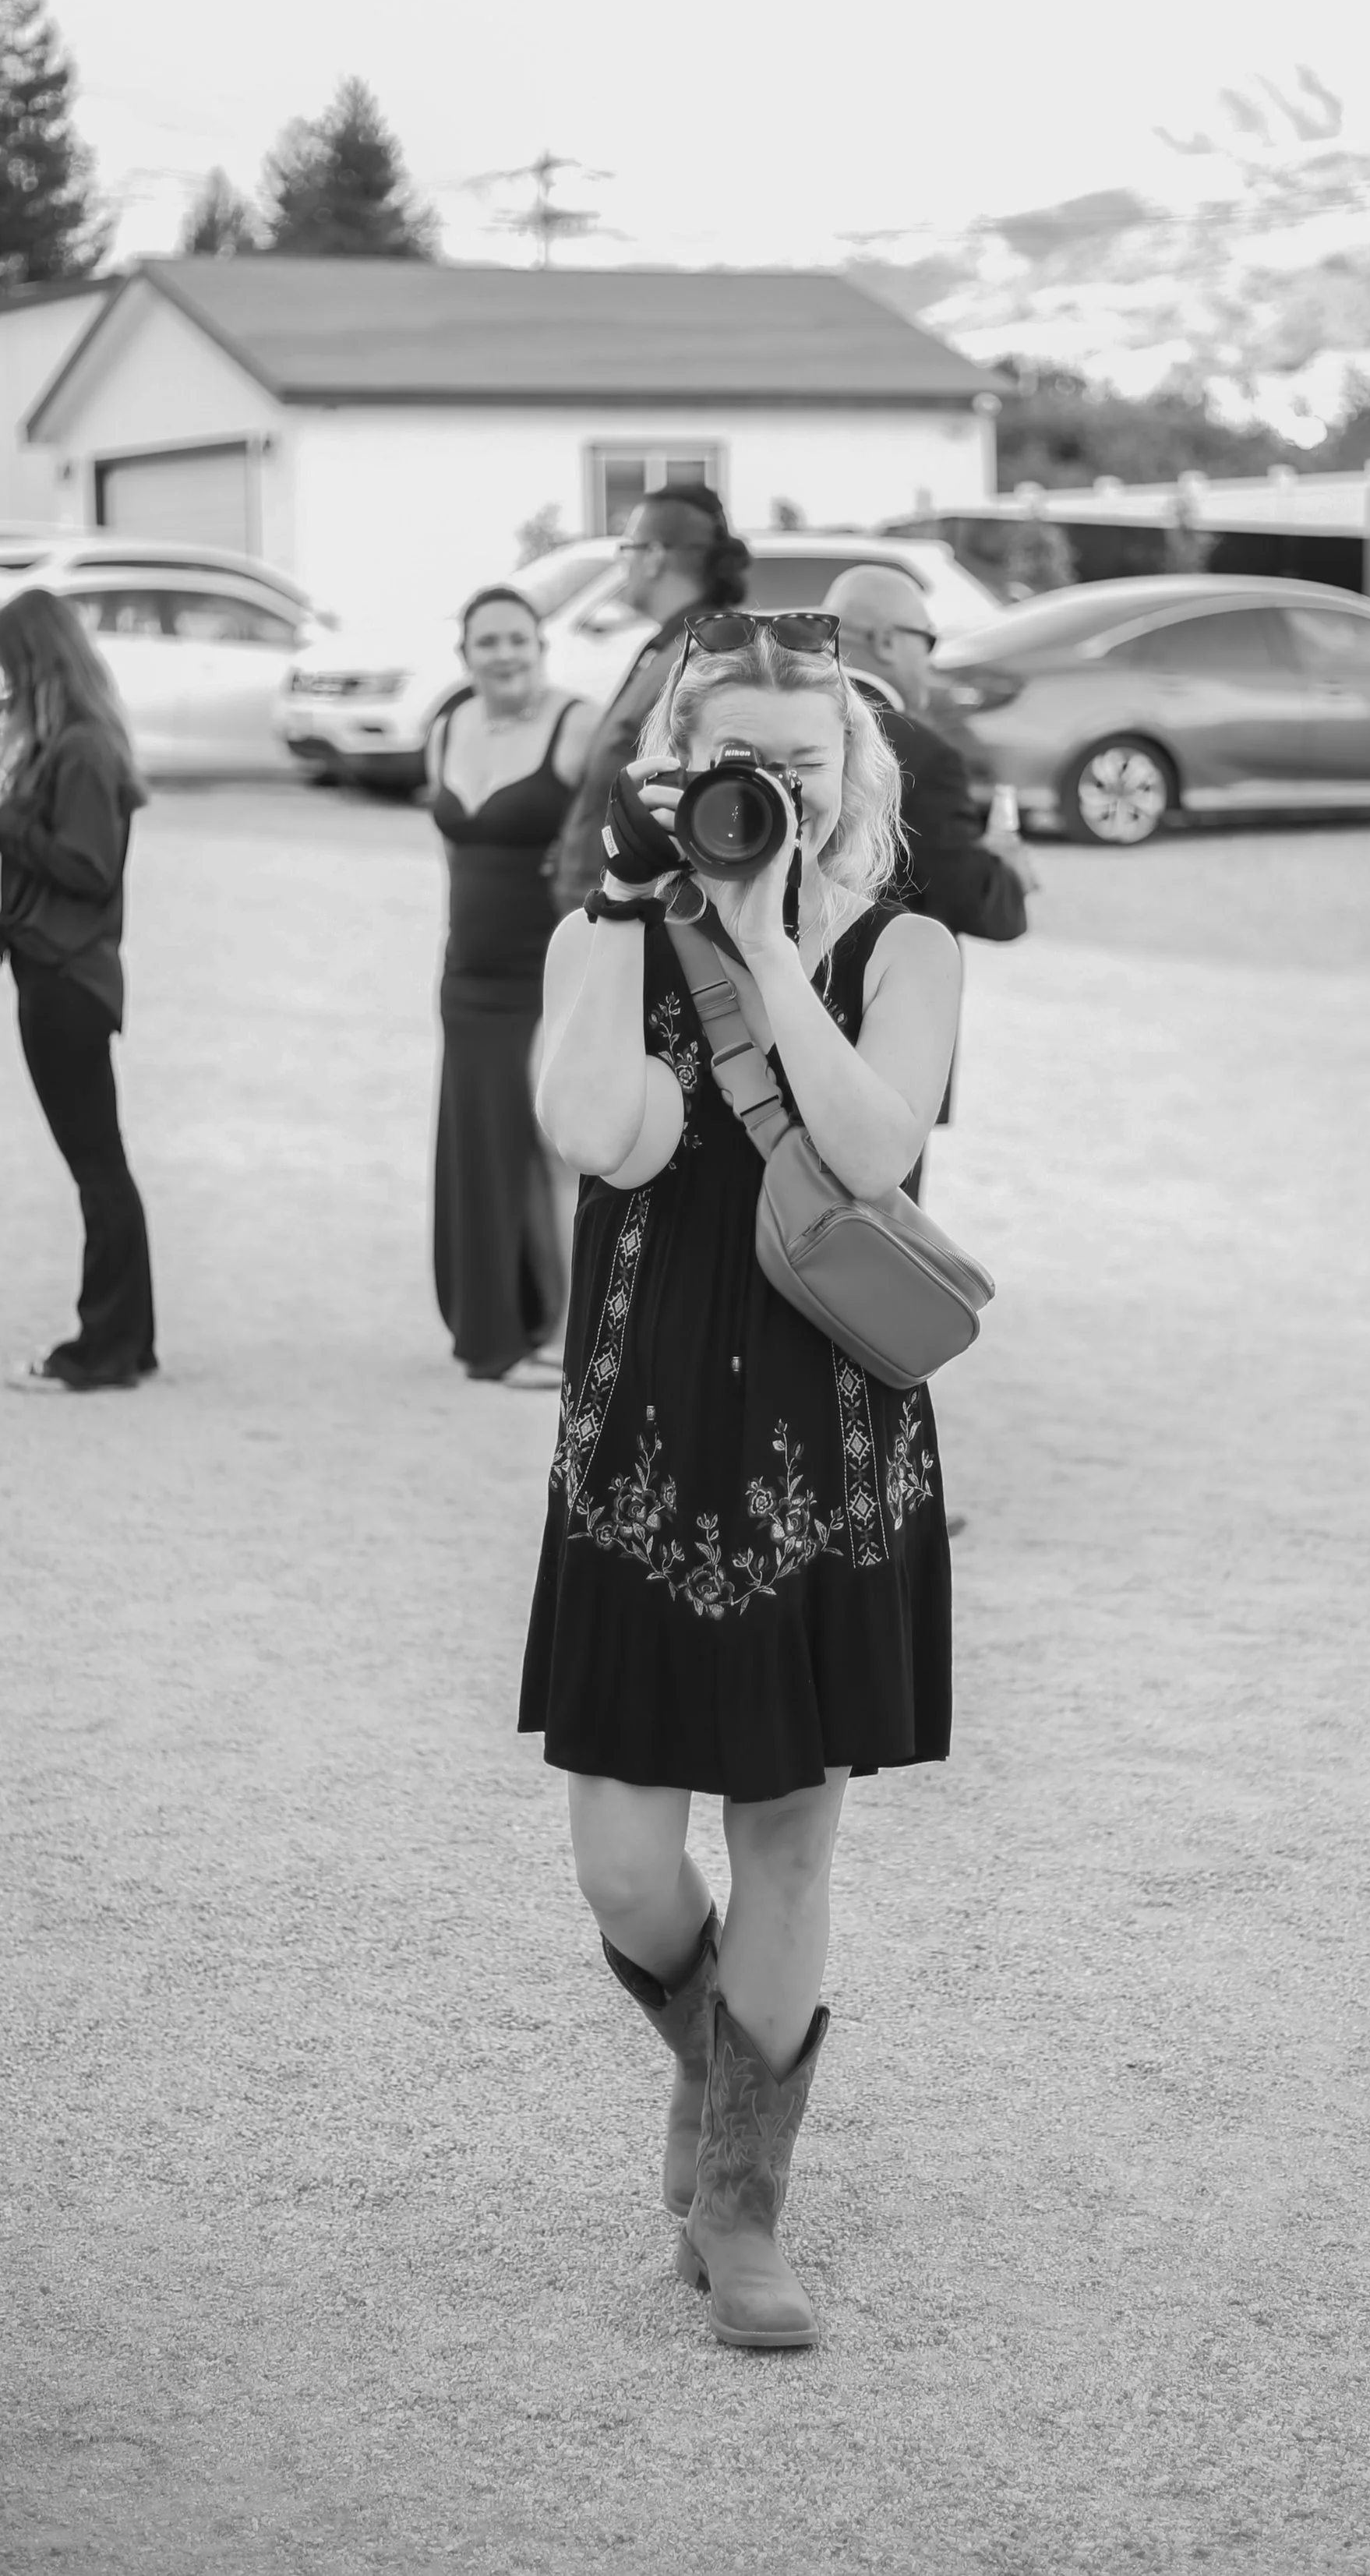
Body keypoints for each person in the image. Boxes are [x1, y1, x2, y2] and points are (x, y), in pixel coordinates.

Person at [524, 612, 962, 2351]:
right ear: (676, 765)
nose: (772, 793)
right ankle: (720, 2072)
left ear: (852, 770)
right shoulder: (614, 935)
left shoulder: (908, 946)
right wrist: (620, 918)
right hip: (641, 1438)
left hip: (824, 1447)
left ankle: (745, 2204)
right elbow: (602, 1135)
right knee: (625, 1864)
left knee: (787, 1838)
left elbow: (871, 1144)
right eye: (739, 763)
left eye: (803, 762)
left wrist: (773, 944)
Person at [0, 589, 157, 1390]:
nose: (3, 681)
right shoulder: (68, 741)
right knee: (100, 1164)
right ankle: (130, 1339)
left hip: (68, 975)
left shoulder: (83, 746)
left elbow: (88, 867)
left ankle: (102, 1351)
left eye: (6, 665)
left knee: (97, 1168)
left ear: (32, 660)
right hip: (55, 966)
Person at [429, 585, 596, 1387]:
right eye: (487, 642)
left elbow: (611, 841)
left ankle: (570, 1338)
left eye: (518, 640)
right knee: (484, 1148)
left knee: (553, 1148)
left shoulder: (578, 724)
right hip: (468, 976)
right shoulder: (448, 724)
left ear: (540, 646)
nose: (504, 655)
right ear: (464, 653)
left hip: (549, 974)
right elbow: (452, 853)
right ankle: (497, 1324)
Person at [551, 486, 750, 913]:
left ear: (655, 556)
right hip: (612, 903)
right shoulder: (675, 644)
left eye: (628, 548)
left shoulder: (704, 656)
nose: (623, 563)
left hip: (638, 912)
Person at [828, 563, 1033, 945]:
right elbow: (978, 905)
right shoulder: (924, 755)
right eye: (929, 640)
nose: (931, 660)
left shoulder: (786, 724)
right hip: (881, 972)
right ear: (886, 641)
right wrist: (1008, 872)